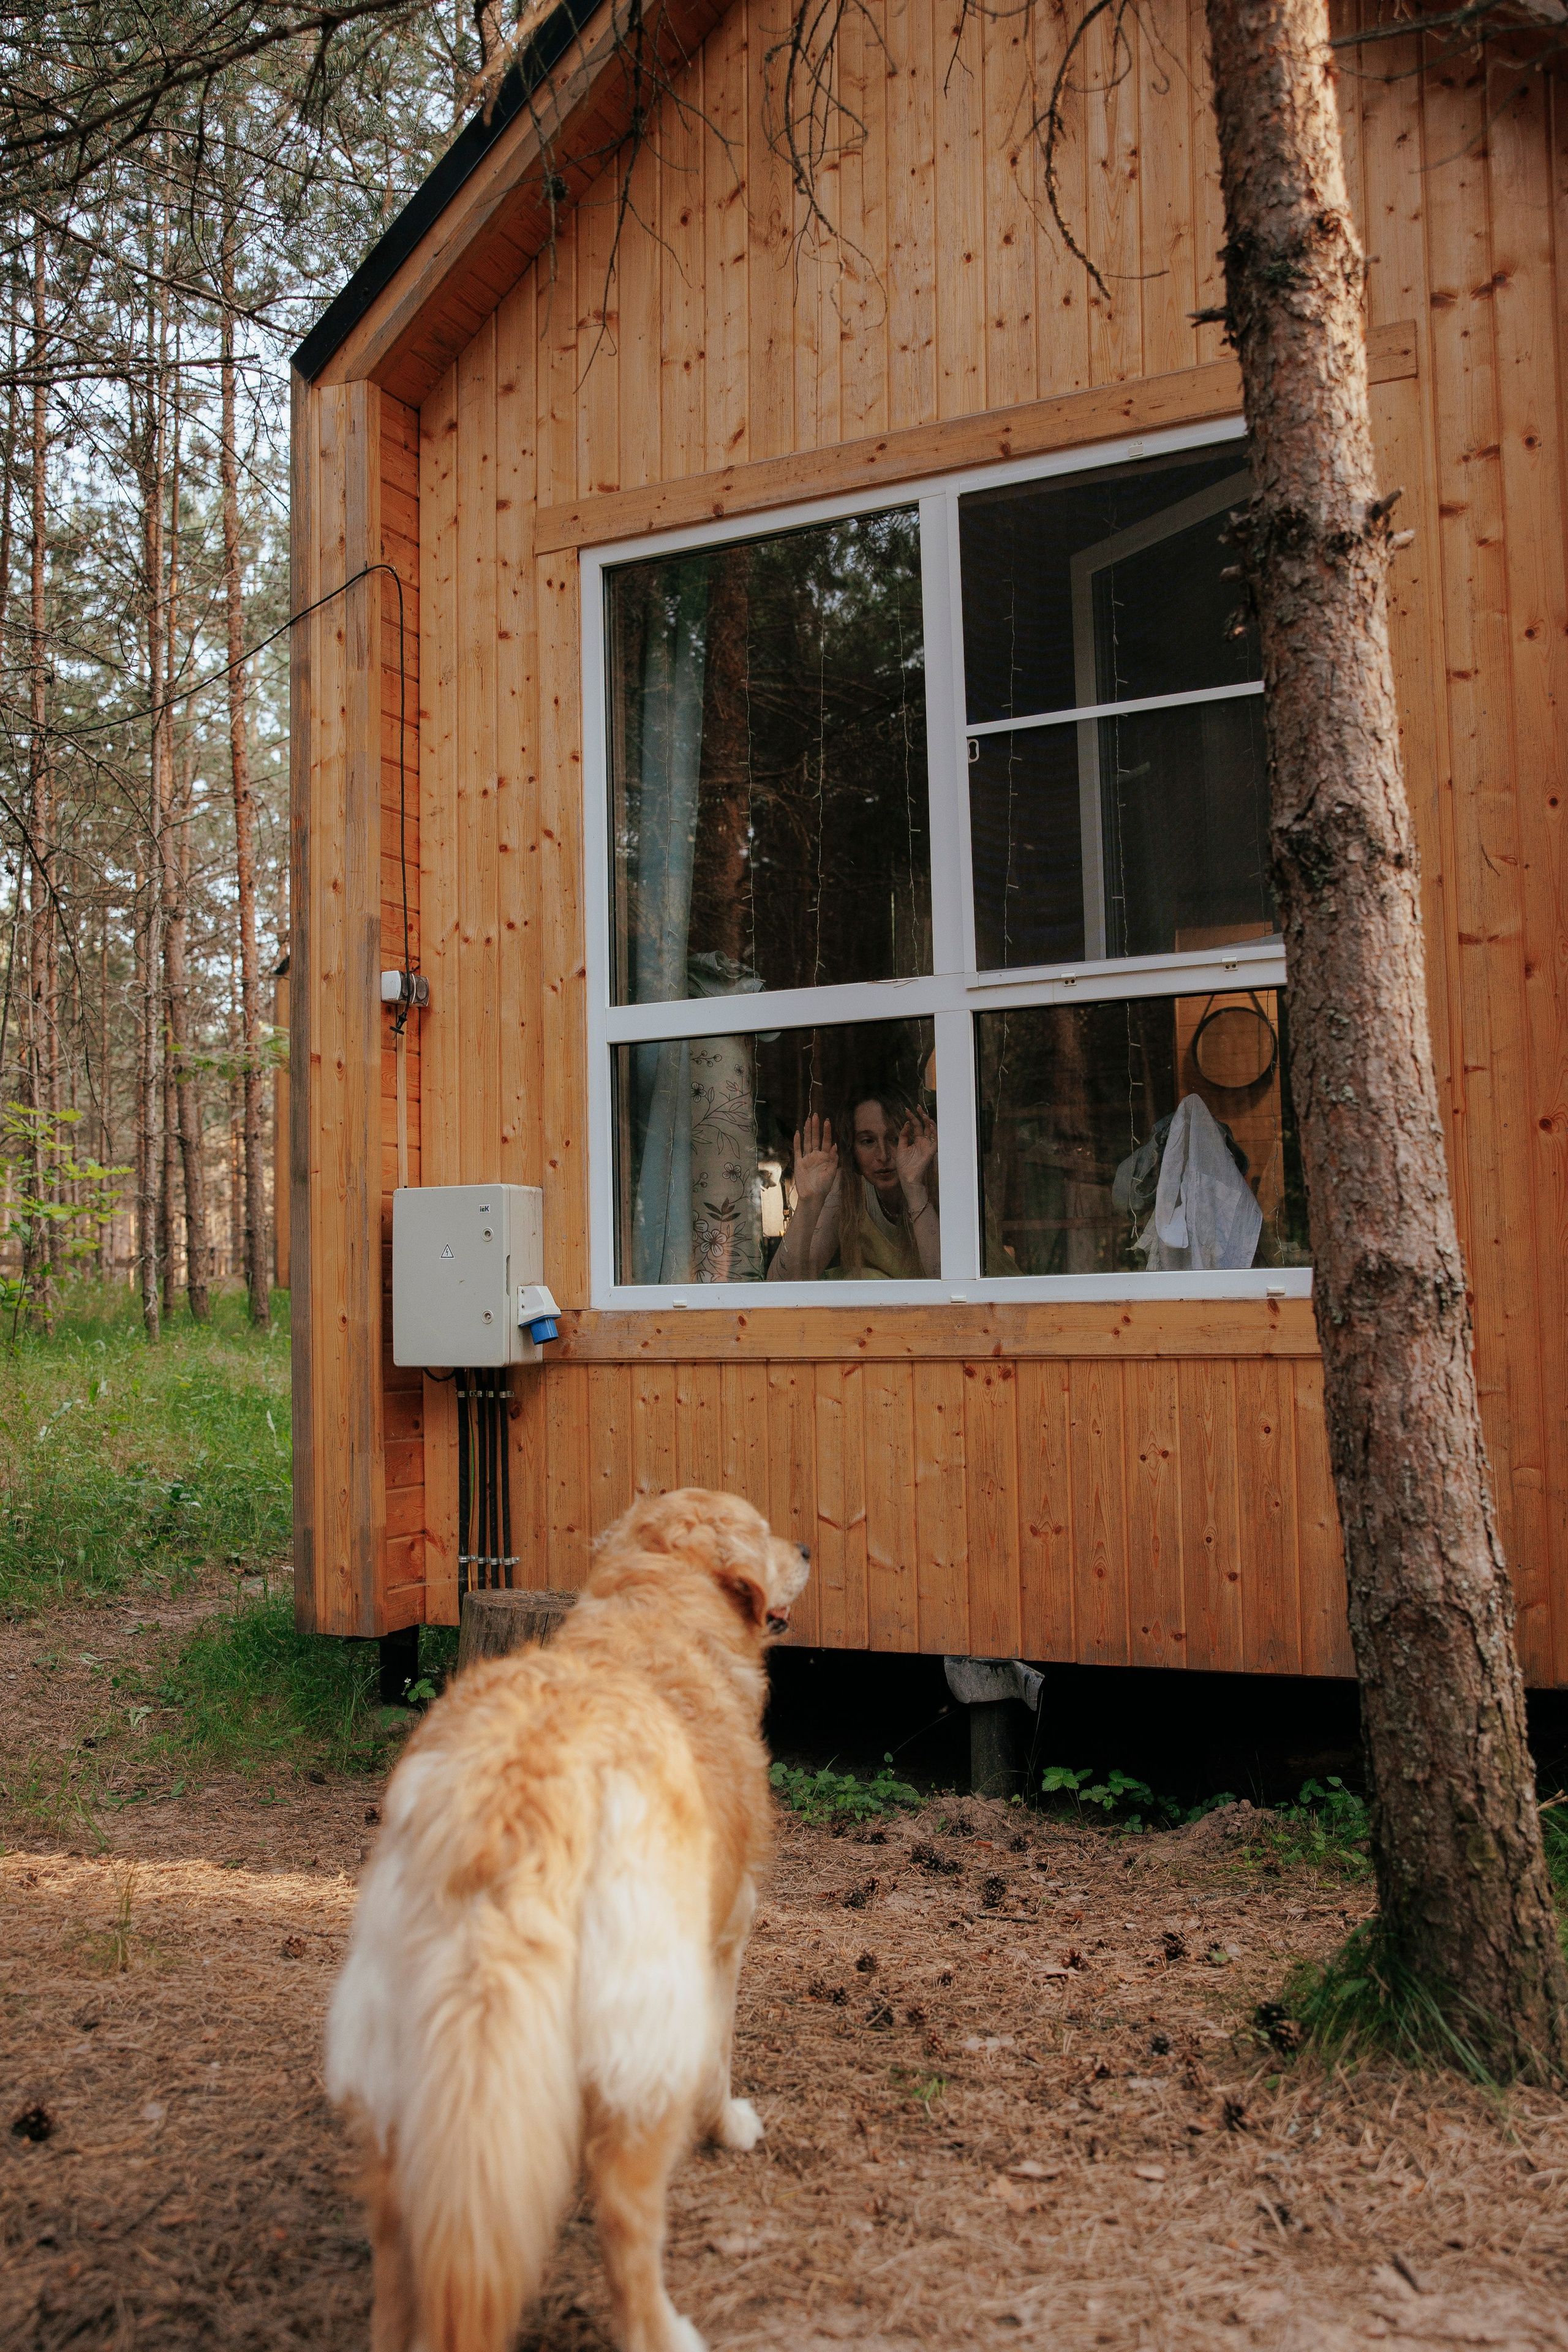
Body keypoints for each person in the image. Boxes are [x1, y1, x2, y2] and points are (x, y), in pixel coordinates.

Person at [766, 1094, 940, 1279]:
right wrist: (808, 1202)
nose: (883, 1155)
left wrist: (915, 1189)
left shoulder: (937, 1179)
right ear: (852, 1149)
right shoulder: (848, 1187)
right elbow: (783, 1284)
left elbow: (951, 1285)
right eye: (868, 1141)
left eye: (895, 1139)